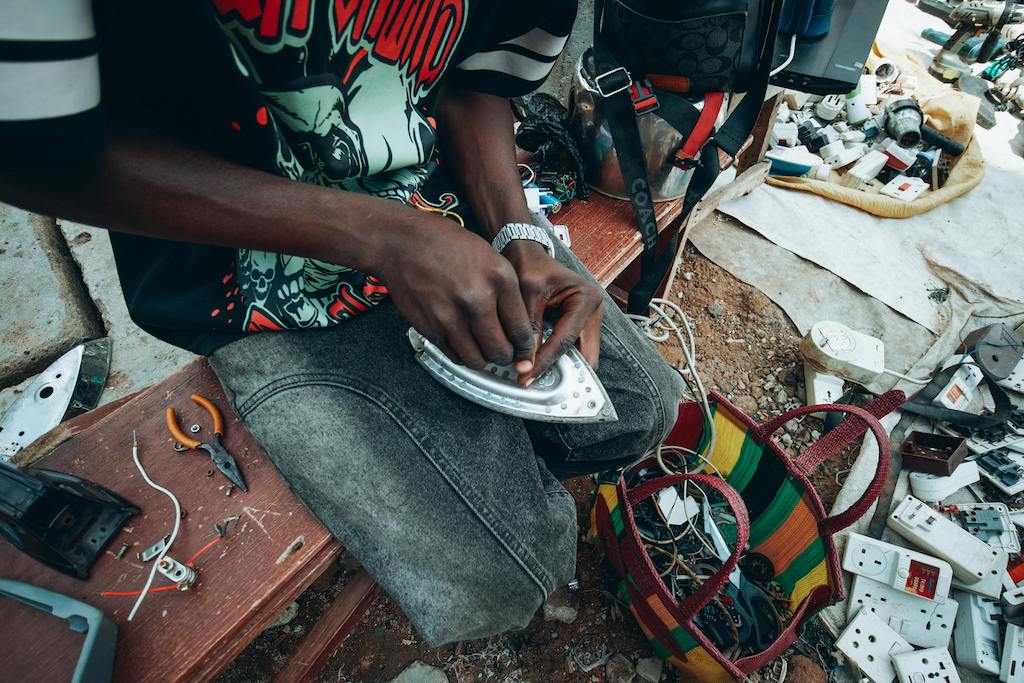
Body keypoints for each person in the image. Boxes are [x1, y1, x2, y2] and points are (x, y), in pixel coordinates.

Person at [0, 0, 684, 644]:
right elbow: (37, 154)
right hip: (247, 269)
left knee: (641, 409)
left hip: (434, 209)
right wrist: (379, 238)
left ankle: (475, 465)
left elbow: (479, 81)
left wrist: (517, 229)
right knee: (504, 578)